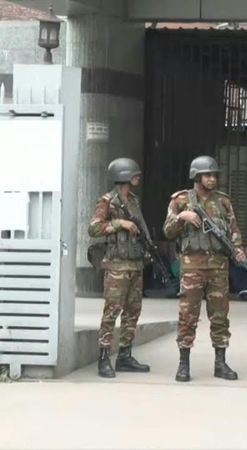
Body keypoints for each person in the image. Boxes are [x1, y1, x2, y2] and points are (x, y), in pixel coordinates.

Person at [163, 155, 246, 382]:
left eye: (214, 175)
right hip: (192, 266)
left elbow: (233, 230)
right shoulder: (181, 200)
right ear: (196, 176)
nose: (212, 179)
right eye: (207, 175)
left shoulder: (223, 201)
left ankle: (220, 363)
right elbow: (167, 232)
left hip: (218, 266)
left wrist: (238, 249)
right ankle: (183, 364)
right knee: (188, 316)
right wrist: (182, 217)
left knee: (220, 317)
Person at [88, 158, 151, 378]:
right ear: (123, 175)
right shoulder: (107, 201)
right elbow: (94, 228)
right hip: (116, 265)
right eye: (134, 174)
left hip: (134, 263)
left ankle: (125, 356)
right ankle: (104, 358)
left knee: (133, 311)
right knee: (112, 311)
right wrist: (119, 223)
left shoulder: (133, 200)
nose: (138, 177)